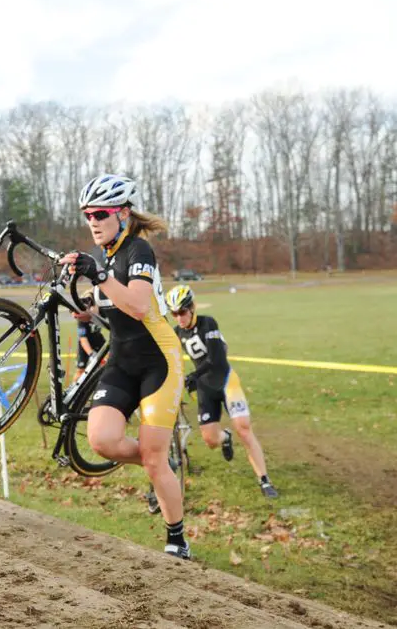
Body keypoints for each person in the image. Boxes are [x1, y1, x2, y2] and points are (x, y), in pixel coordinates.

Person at [62, 174, 189, 559]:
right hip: (122, 360)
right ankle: (159, 459)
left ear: (122, 212)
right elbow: (114, 306)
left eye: (100, 213)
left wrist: (97, 275)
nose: (93, 222)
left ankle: (177, 540)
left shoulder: (139, 251)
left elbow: (137, 304)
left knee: (151, 460)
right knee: (102, 441)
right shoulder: (110, 256)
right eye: (87, 215)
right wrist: (88, 308)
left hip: (158, 362)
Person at [166, 285, 279, 499]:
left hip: (226, 381)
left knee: (243, 429)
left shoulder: (208, 323)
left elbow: (216, 359)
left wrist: (193, 376)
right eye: (174, 313)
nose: (179, 318)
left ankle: (264, 480)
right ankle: (225, 437)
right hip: (205, 388)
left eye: (181, 312)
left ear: (192, 308)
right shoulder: (177, 332)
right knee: (210, 441)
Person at [72, 290, 107, 383]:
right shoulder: (83, 318)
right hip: (85, 344)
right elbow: (83, 339)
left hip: (98, 339)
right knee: (80, 370)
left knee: (107, 365)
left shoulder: (101, 311)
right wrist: (91, 354)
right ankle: (72, 388)